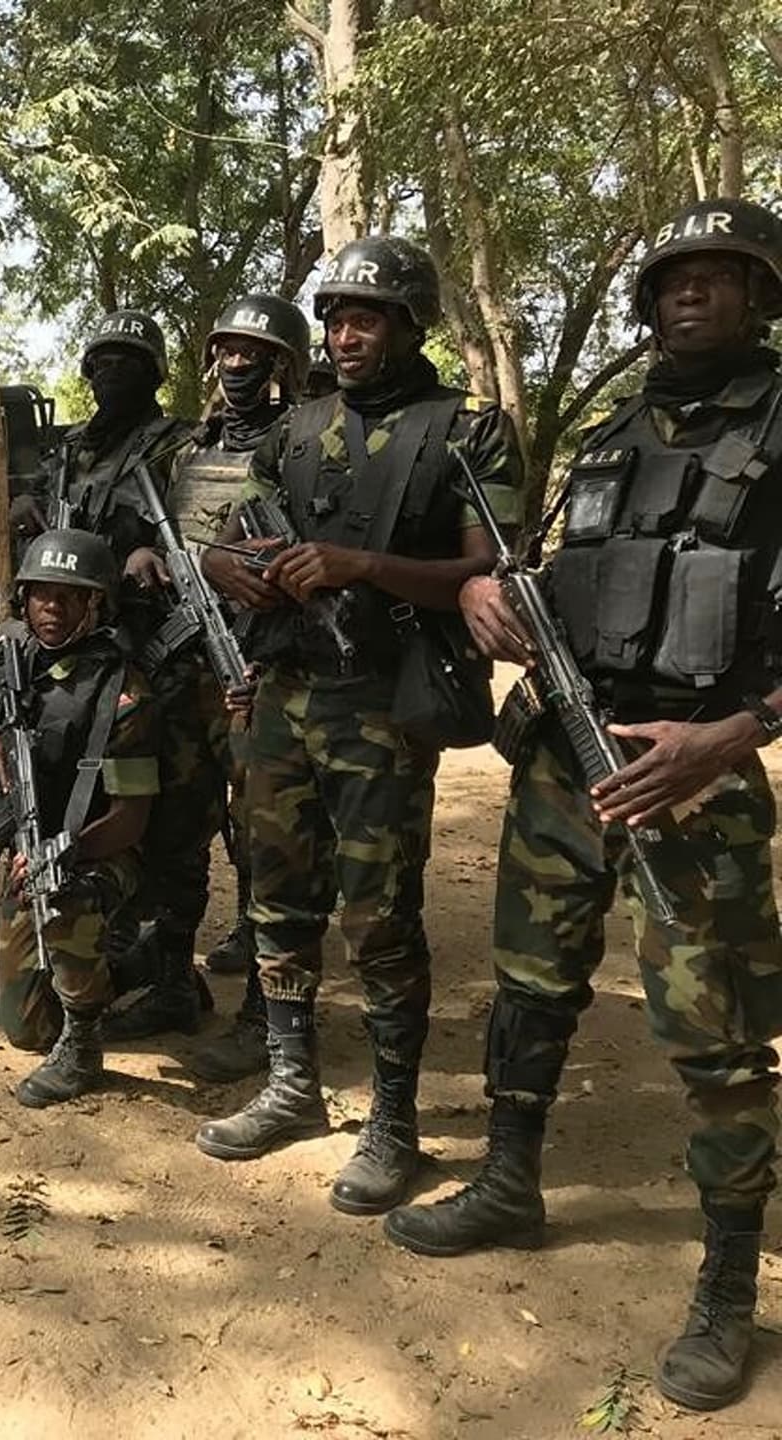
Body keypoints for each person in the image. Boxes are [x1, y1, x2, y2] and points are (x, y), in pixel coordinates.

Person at [383, 198, 782, 1414]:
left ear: (762, 298)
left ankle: (725, 1288)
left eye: (720, 278)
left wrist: (733, 734)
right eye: (673, 279)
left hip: (695, 774)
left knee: (711, 1035)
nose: (690, 296)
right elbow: (571, 573)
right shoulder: (614, 431)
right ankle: (510, 1181)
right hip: (566, 750)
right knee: (533, 982)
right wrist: (490, 603)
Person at [192, 236, 523, 1217]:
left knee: (380, 919)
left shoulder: (468, 431)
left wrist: (360, 566)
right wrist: (230, 569)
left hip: (384, 702)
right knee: (277, 901)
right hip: (284, 695)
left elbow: (484, 577)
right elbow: (220, 532)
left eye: (364, 318)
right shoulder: (293, 430)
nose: (343, 334)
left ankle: (393, 1122)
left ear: (411, 325)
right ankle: (293, 1085)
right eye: (333, 318)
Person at [0, 529, 160, 1107]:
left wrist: (64, 851)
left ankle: (83, 1044)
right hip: (27, 843)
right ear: (23, 598)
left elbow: (130, 819)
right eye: (41, 594)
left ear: (94, 603)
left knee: (67, 898)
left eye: (70, 596)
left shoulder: (121, 690)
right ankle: (129, 962)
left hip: (100, 851)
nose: (52, 608)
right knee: (27, 1028)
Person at [36, 310, 207, 1038]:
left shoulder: (179, 446)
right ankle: (112, 949)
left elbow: (201, 534)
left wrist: (156, 559)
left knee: (179, 821)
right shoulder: (70, 451)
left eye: (130, 363)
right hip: (84, 657)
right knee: (80, 798)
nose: (112, 373)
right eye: (102, 361)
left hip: (162, 657)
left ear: (156, 375)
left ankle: (175, 977)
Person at [164, 293, 310, 1083]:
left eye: (254, 355)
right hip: (185, 660)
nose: (237, 367)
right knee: (182, 820)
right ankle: (172, 979)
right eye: (226, 352)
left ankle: (268, 1005)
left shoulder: (306, 440)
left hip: (260, 661)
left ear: (284, 364)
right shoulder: (193, 446)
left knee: (264, 838)